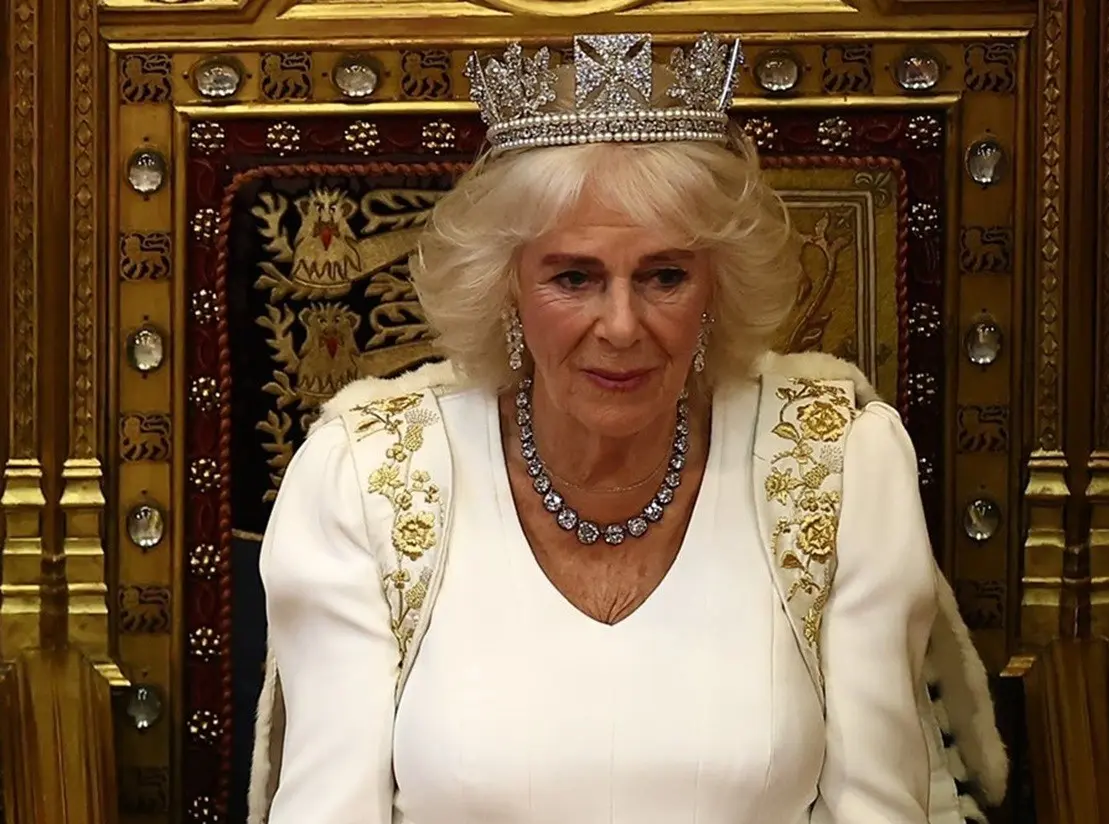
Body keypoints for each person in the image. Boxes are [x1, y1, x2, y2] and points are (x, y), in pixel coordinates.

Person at [248, 32, 1007, 824]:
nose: (620, 325)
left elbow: (879, 808)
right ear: (508, 286)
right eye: (573, 277)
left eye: (664, 276)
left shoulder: (836, 464)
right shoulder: (370, 475)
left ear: (716, 286)